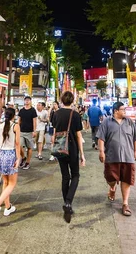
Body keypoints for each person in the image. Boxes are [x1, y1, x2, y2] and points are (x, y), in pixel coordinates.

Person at [97, 101, 136, 217]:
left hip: (128, 156)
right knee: (110, 178)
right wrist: (101, 152)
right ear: (116, 111)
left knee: (126, 180)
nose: (125, 112)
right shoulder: (106, 122)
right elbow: (101, 138)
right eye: (123, 110)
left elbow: (135, 138)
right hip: (111, 156)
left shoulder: (130, 122)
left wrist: (135, 151)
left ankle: (125, 204)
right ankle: (112, 187)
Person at [52, 91, 85, 223]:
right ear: (72, 101)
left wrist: (53, 147)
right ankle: (68, 202)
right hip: (72, 148)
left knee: (65, 176)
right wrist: (82, 154)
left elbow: (54, 133)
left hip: (60, 147)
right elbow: (78, 135)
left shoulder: (56, 114)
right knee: (75, 175)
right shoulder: (75, 115)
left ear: (61, 100)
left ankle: (67, 203)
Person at [0, 108, 21, 223]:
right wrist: (18, 157)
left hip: (1, 154)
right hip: (11, 154)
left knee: (6, 182)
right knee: (12, 183)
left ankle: (7, 207)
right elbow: (17, 143)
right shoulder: (15, 126)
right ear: (14, 116)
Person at [18, 96, 37, 169]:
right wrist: (17, 128)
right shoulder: (21, 110)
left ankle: (27, 163)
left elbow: (34, 121)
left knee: (29, 147)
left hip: (30, 132)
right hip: (21, 131)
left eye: (28, 100)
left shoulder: (33, 110)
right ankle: (23, 157)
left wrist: (34, 131)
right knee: (19, 146)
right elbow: (19, 120)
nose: (27, 101)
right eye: (26, 100)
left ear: (30, 101)